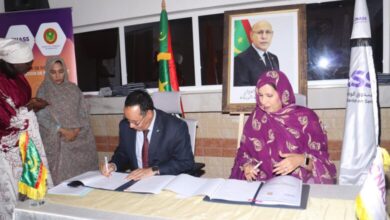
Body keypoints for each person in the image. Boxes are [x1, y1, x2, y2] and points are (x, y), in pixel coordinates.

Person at [230, 70, 336, 184]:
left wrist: (301, 160)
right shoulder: (256, 118)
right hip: (263, 185)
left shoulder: (307, 119)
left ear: (283, 94)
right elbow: (243, 153)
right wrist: (248, 166)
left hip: (299, 185)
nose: (263, 101)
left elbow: (324, 164)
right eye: (260, 95)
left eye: (269, 95)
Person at [0, 38, 53, 220]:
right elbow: (6, 120)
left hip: (25, 141)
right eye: (26, 63)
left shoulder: (18, 76)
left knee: (33, 187)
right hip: (7, 151)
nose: (31, 66)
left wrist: (30, 105)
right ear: (9, 64)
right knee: (13, 194)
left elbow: (19, 105)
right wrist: (27, 110)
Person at [100, 90, 194, 180]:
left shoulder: (175, 127)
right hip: (136, 182)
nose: (131, 126)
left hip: (164, 181)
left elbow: (185, 162)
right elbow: (123, 153)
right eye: (128, 120)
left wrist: (154, 170)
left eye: (135, 122)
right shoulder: (125, 126)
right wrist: (113, 165)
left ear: (149, 114)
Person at [36, 56, 98, 185]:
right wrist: (63, 130)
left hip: (80, 139)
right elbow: (42, 116)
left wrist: (75, 131)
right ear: (48, 72)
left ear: (65, 70)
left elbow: (83, 111)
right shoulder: (43, 91)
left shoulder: (73, 88)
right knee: (62, 182)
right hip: (59, 141)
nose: (58, 75)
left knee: (85, 180)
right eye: (53, 72)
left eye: (61, 71)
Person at [234, 20, 280, 86]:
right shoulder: (240, 60)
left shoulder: (274, 58)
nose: (264, 36)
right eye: (260, 32)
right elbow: (242, 91)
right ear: (251, 35)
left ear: (272, 35)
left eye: (268, 32)